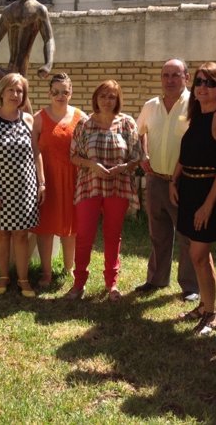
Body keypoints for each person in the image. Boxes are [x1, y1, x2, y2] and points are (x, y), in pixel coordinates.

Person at [169, 63, 216, 335]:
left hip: (210, 192)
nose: (202, 87)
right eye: (199, 82)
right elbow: (186, 155)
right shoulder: (197, 114)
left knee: (198, 253)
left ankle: (211, 314)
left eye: (209, 82)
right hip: (189, 188)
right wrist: (174, 180)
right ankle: (204, 305)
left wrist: (208, 205)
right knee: (198, 253)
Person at [64, 80, 142, 301]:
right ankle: (79, 283)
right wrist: (92, 165)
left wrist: (122, 168)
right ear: (95, 98)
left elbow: (137, 156)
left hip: (118, 186)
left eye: (112, 97)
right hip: (90, 185)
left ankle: (112, 284)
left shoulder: (127, 123)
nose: (107, 101)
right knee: (85, 235)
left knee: (112, 235)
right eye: (103, 96)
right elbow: (73, 155)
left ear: (118, 100)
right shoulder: (85, 124)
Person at [135, 58, 199, 302]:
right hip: (155, 180)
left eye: (175, 75)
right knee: (158, 233)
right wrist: (143, 155)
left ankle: (191, 286)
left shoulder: (195, 104)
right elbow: (139, 132)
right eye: (165, 75)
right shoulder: (151, 106)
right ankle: (156, 279)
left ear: (186, 77)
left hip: (183, 182)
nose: (170, 80)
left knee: (186, 235)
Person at [0, 73, 45, 298]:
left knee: (21, 235)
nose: (15, 95)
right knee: (1, 234)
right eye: (11, 90)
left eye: (20, 91)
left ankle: (24, 280)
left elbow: (36, 153)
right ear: (2, 92)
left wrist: (41, 183)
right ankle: (4, 277)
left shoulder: (28, 120)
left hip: (24, 190)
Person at [32, 73, 87, 287]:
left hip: (73, 179)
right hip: (48, 180)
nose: (60, 96)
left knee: (72, 226)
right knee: (45, 227)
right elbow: (34, 151)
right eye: (55, 92)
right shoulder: (39, 118)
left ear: (71, 92)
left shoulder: (81, 117)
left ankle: (68, 268)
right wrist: (40, 181)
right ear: (49, 93)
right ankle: (46, 272)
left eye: (65, 91)